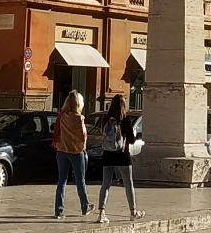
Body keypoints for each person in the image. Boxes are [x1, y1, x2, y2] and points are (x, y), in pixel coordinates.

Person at [97, 95, 145, 223]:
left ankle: (101, 213)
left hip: (107, 155)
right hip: (122, 155)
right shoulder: (125, 119)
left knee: (105, 184)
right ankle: (133, 212)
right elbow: (131, 139)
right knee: (128, 184)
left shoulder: (105, 118)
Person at [53, 91, 93, 219]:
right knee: (80, 180)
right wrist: (82, 148)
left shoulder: (62, 116)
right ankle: (85, 207)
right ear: (78, 104)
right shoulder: (79, 118)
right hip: (76, 152)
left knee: (62, 181)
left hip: (62, 151)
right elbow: (83, 136)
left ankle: (59, 210)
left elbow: (57, 133)